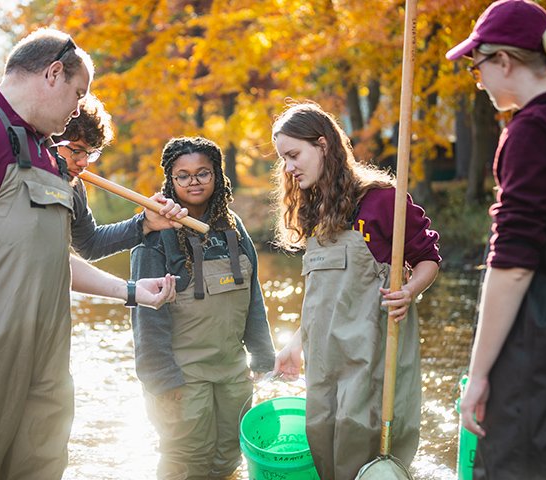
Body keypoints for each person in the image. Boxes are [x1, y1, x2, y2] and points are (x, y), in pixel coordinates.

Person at [0, 28, 179, 479]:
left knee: (41, 465)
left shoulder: (48, 155)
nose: (76, 109)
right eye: (77, 93)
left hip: (46, 353)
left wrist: (144, 230)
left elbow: (51, 256)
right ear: (52, 74)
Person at [270, 102, 441, 480]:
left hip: (373, 355)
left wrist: (410, 290)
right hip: (326, 359)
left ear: (324, 145)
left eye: (294, 155)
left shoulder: (382, 201)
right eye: (284, 159)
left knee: (364, 444)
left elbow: (428, 258)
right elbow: (322, 296)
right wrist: (296, 343)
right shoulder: (314, 209)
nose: (289, 167)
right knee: (323, 439)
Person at [446, 1, 546, 478]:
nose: (479, 79)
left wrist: (479, 375)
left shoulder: (532, 130)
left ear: (505, 61)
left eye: (478, 67)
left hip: (540, 333)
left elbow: (512, 264)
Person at [129, 136, 276, 479]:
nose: (193, 182)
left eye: (203, 173)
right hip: (182, 377)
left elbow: (253, 298)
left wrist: (263, 356)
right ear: (170, 179)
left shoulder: (234, 229)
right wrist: (162, 380)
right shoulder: (153, 236)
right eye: (183, 175)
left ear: (217, 176)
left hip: (232, 373)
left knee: (228, 461)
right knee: (186, 462)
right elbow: (145, 317)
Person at [54, 93, 181, 260]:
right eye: (77, 151)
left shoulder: (74, 186)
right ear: (51, 139)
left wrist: (145, 223)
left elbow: (90, 245)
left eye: (90, 154)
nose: (84, 163)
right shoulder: (19, 174)